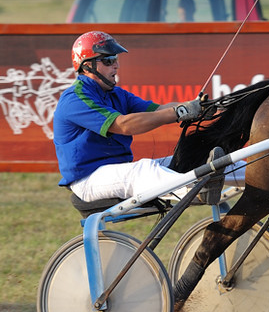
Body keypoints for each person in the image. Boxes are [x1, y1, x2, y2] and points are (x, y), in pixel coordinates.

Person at [53, 30, 234, 204]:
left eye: (115, 59)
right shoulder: (75, 99)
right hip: (88, 179)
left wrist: (197, 107)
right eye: (108, 60)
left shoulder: (117, 94)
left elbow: (159, 110)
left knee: (197, 156)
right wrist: (178, 113)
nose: (116, 65)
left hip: (117, 171)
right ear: (87, 66)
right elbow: (124, 125)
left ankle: (257, 178)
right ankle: (196, 191)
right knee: (144, 169)